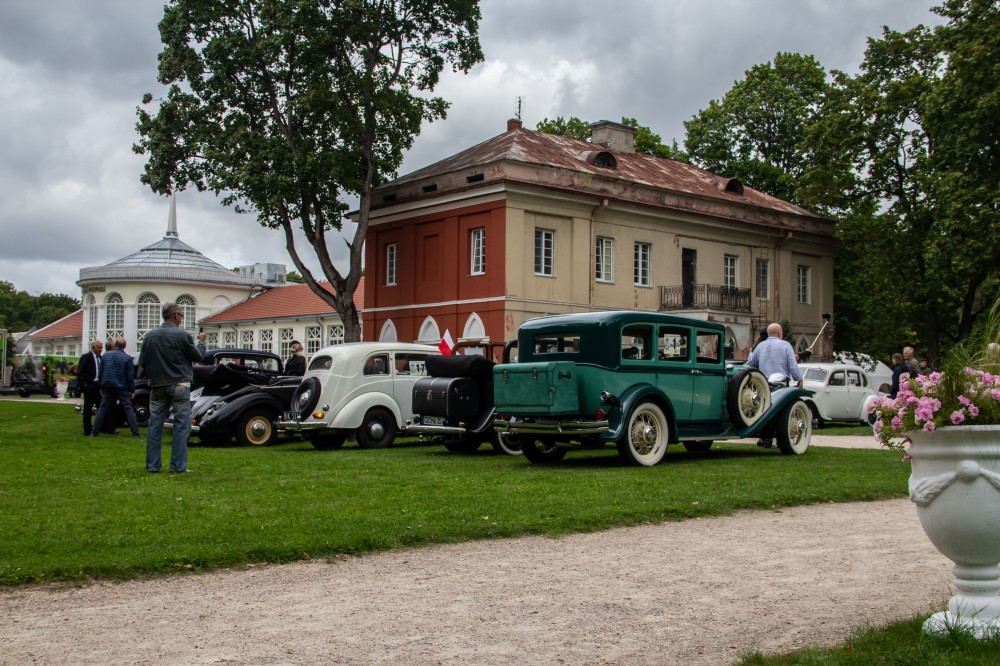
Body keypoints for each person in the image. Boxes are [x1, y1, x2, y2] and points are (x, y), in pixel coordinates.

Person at [139, 303, 203, 473]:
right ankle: (178, 466)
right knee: (181, 426)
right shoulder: (183, 336)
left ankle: (153, 466)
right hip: (179, 384)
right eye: (181, 315)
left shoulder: (149, 336)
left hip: (157, 385)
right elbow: (198, 356)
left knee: (154, 425)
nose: (182, 318)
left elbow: (142, 363)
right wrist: (201, 343)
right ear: (175, 315)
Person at [745, 322, 803, 448]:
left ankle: (765, 440)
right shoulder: (786, 345)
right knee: (781, 413)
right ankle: (781, 439)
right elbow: (793, 366)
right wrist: (799, 379)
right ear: (779, 333)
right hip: (781, 384)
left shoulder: (760, 346)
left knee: (765, 411)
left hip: (763, 384)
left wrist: (751, 354)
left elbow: (750, 364)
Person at [91, 338, 141, 438]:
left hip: (107, 385)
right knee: (128, 409)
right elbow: (130, 376)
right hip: (121, 387)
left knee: (102, 408)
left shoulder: (105, 356)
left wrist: (101, 385)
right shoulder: (127, 358)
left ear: (116, 345)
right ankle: (135, 432)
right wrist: (132, 390)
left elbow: (100, 372)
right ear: (125, 346)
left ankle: (95, 432)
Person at [76, 341, 104, 436]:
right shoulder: (86, 357)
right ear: (93, 347)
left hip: (98, 385)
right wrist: (84, 384)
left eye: (101, 348)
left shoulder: (101, 358)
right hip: (90, 385)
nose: (100, 350)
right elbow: (80, 372)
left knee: (100, 408)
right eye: (99, 348)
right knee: (88, 408)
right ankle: (87, 430)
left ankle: (98, 428)